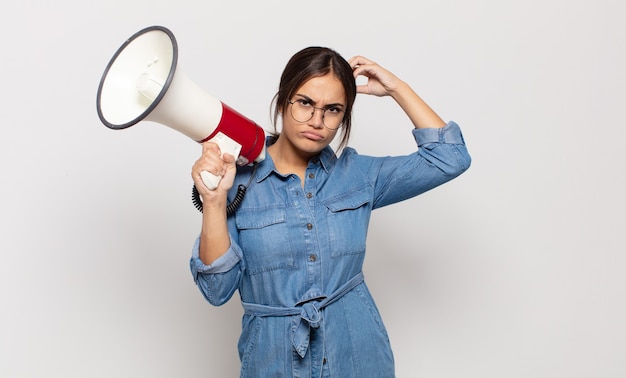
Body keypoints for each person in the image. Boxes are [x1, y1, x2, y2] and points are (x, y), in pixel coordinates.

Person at [189, 46, 471, 378]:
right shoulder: (237, 180)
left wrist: (397, 88)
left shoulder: (358, 176)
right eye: (305, 103)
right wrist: (213, 201)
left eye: (333, 109)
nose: (317, 121)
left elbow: (451, 157)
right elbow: (216, 290)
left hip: (358, 354)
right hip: (273, 361)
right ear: (283, 101)